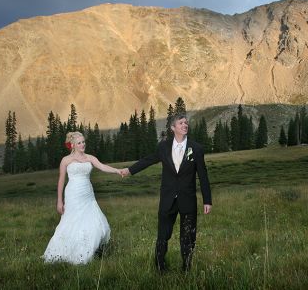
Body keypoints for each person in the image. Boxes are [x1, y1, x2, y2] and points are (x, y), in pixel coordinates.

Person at [122, 114, 212, 272]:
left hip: (188, 199)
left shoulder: (196, 148)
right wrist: (129, 170)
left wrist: (207, 200)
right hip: (167, 199)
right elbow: (148, 160)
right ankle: (160, 267)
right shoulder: (163, 147)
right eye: (181, 123)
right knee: (163, 235)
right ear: (173, 128)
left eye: (186, 122)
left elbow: (203, 175)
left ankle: (186, 268)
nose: (185, 125)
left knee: (188, 237)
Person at [43, 131, 123, 264]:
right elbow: (61, 181)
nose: (82, 145)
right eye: (79, 143)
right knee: (72, 221)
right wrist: (59, 201)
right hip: (73, 194)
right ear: (73, 145)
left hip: (88, 195)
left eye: (83, 142)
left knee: (93, 220)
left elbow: (102, 167)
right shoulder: (66, 160)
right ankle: (67, 252)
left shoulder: (90, 158)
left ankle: (88, 251)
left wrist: (117, 170)